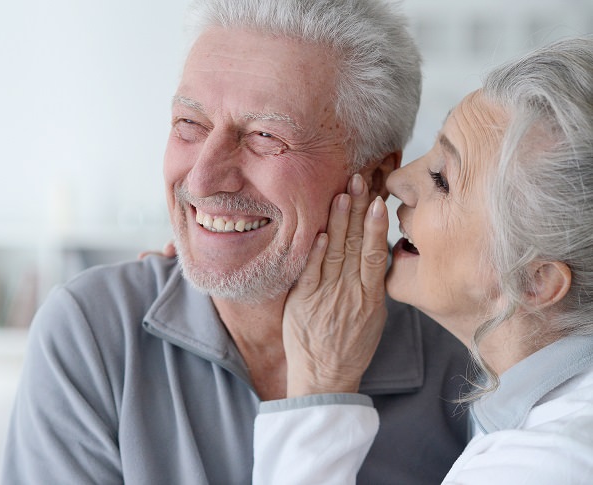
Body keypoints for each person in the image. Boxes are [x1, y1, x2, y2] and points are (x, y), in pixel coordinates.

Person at [0, 0, 470, 483]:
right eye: (190, 124)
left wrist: (323, 393)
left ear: (373, 177)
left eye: (266, 136)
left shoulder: (463, 361)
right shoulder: (91, 333)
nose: (202, 180)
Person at [253, 36, 593, 484]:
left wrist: (319, 388)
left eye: (442, 179)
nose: (397, 179)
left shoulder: (550, 463)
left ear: (535, 281)